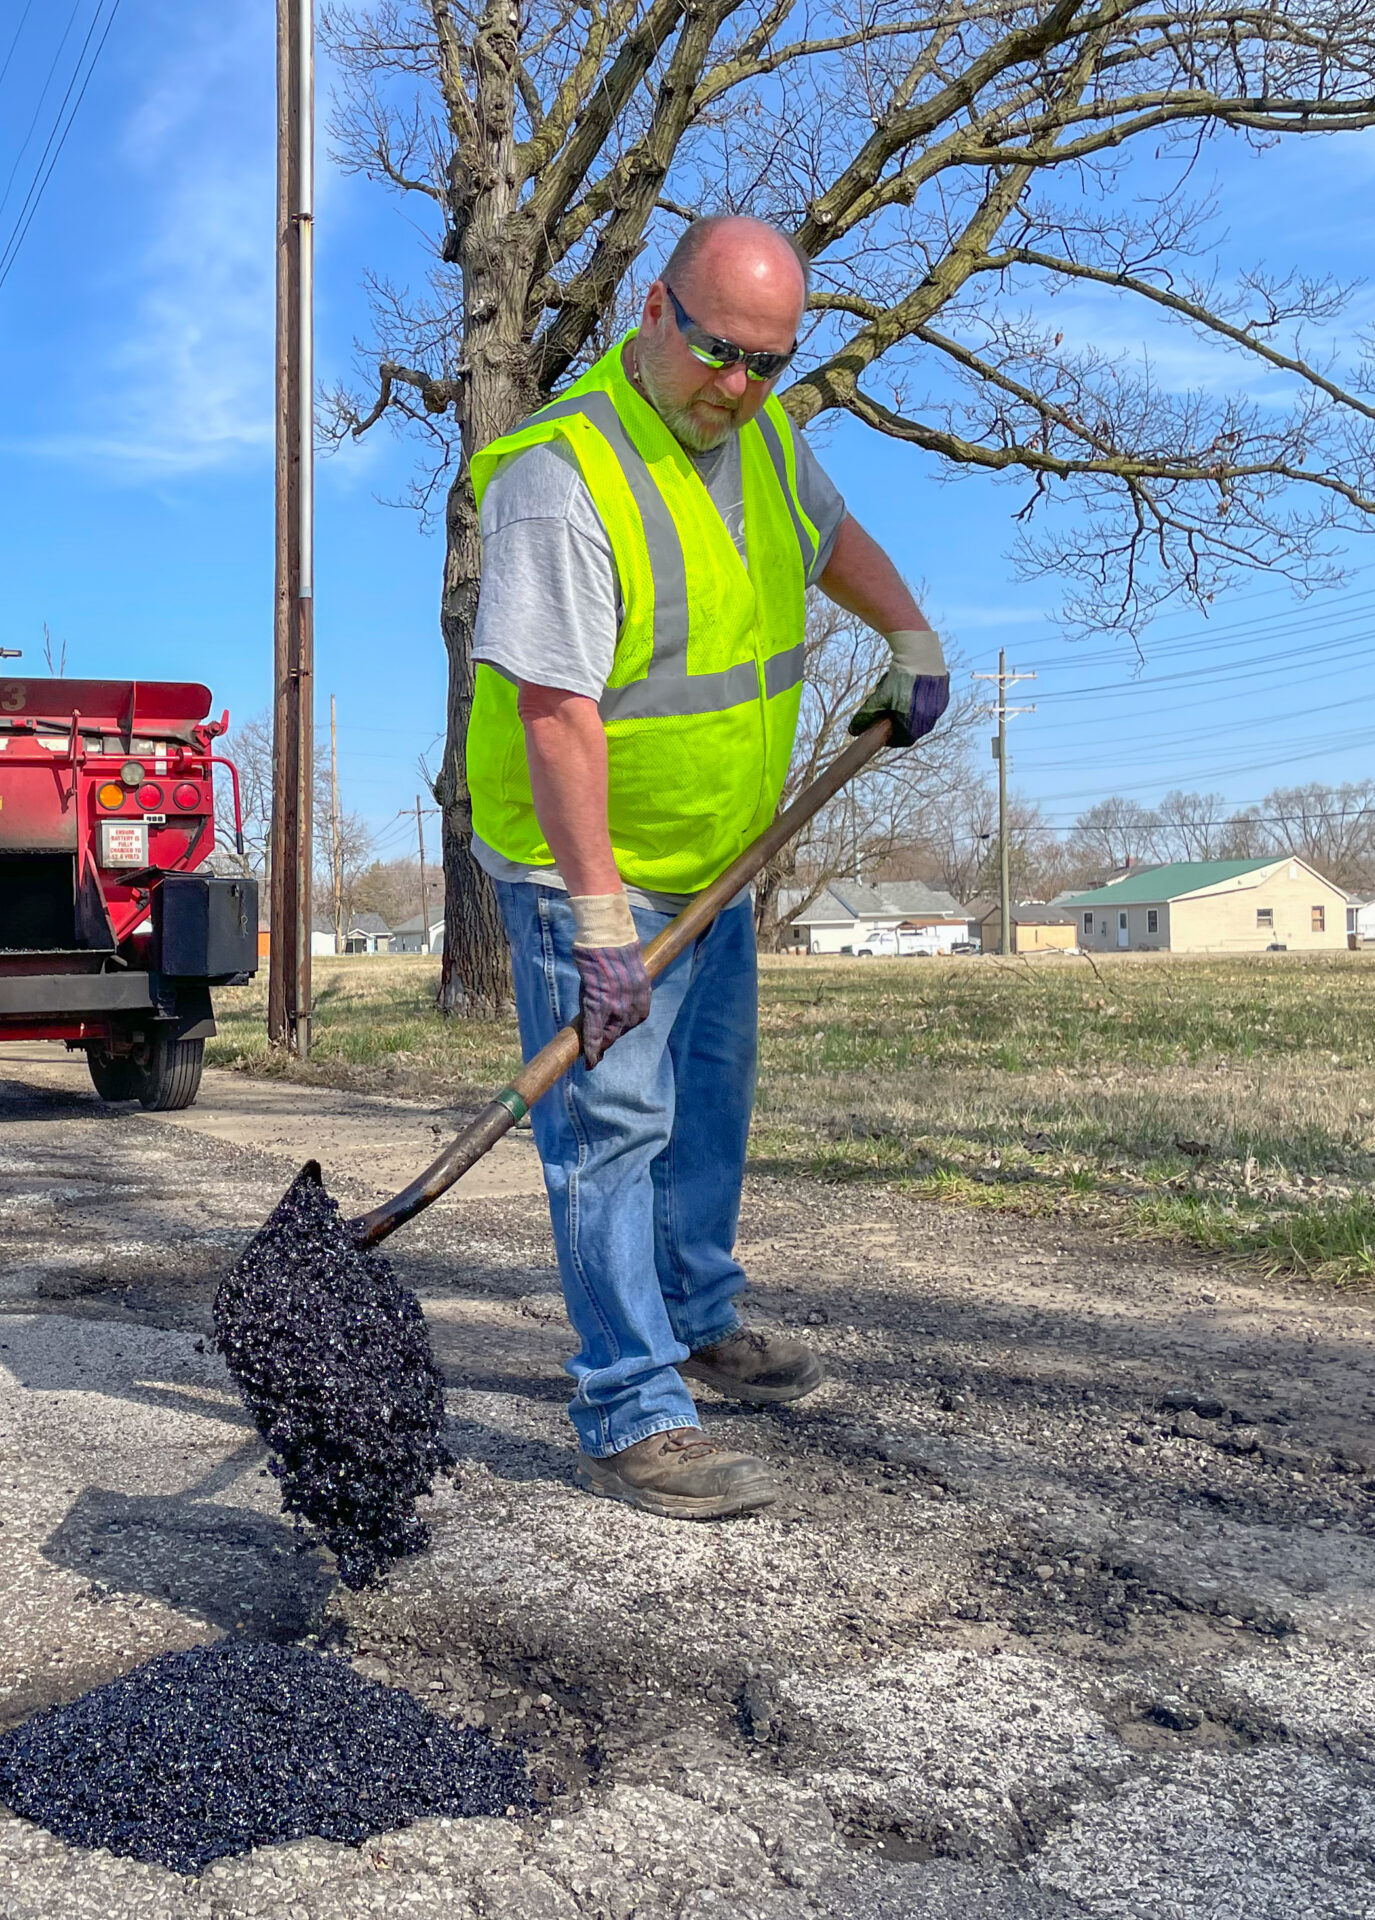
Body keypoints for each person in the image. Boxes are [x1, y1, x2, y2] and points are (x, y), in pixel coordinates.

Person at [465, 214, 946, 1519]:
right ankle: (631, 1398)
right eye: (721, 352)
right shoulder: (564, 479)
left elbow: (826, 533)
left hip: (719, 860)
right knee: (613, 1124)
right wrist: (603, 927)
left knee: (708, 1105)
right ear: (656, 311)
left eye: (769, 364)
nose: (739, 386)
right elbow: (556, 715)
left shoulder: (766, 440)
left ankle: (694, 1311)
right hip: (591, 876)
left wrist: (907, 633)